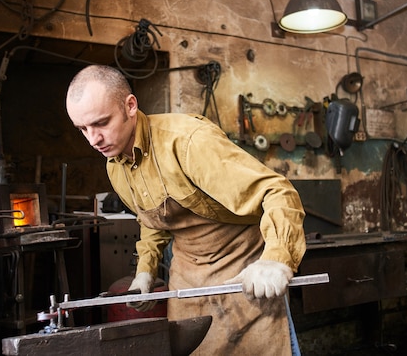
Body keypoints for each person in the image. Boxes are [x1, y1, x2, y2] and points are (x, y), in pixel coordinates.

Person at [66, 65, 306, 355]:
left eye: (101, 123)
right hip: (188, 281)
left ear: (130, 106)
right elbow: (153, 220)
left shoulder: (188, 141)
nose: (93, 139)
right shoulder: (115, 166)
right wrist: (145, 270)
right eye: (83, 129)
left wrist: (277, 259)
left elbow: (277, 191)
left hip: (243, 272)